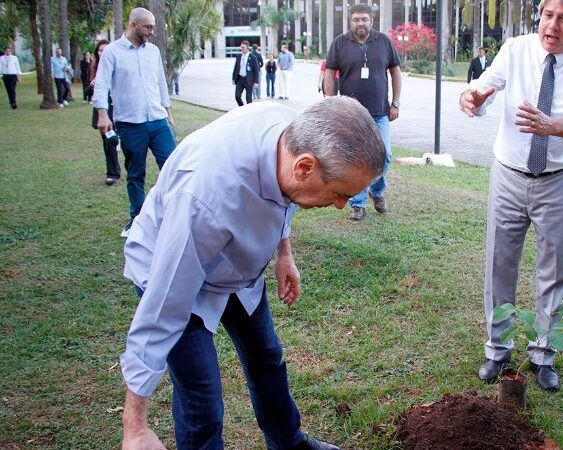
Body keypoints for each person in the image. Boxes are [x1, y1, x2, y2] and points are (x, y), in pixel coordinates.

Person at [119, 96, 385, 450]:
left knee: (267, 358)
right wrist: (134, 425)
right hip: (175, 267)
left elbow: (286, 193)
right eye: (339, 194)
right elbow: (163, 307)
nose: (340, 205)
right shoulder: (204, 197)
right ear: (305, 168)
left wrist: (284, 252)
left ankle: (288, 442)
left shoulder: (290, 133)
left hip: (237, 270)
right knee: (202, 399)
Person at [460, 0, 563, 392]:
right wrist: (473, 98)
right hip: (508, 174)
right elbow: (484, 86)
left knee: (554, 269)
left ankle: (544, 354)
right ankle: (497, 348)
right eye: (547, 15)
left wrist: (554, 126)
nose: (552, 25)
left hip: (559, 180)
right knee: (498, 263)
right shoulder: (516, 49)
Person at [92, 7, 177, 238]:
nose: (151, 31)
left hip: (158, 120)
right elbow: (101, 84)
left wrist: (168, 111)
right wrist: (102, 113)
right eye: (148, 27)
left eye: (152, 27)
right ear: (133, 24)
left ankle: (174, 216)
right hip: (131, 124)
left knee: (174, 168)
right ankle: (137, 220)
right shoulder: (112, 52)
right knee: (135, 174)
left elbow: (160, 82)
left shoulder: (153, 51)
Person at [323, 3, 402, 221]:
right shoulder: (339, 44)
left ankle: (376, 192)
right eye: (356, 19)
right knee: (356, 160)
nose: (361, 23)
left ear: (371, 21)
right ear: (350, 21)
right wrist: (330, 104)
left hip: (379, 112)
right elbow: (329, 74)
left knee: (385, 155)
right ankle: (358, 205)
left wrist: (395, 103)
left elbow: (395, 71)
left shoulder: (383, 42)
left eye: (364, 19)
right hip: (351, 115)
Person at [88, 39, 121, 186]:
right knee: (108, 142)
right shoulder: (95, 69)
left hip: (117, 109)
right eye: (100, 50)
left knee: (115, 141)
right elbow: (88, 93)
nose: (103, 52)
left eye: (105, 49)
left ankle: (117, 169)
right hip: (102, 111)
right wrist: (92, 85)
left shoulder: (118, 66)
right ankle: (112, 172)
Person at [232, 40, 261, 106]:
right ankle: (242, 108)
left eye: (243, 47)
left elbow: (256, 70)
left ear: (247, 48)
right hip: (240, 79)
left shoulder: (253, 58)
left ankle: (249, 111)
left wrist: (256, 82)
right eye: (241, 47)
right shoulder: (239, 56)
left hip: (248, 80)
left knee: (248, 98)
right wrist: (233, 78)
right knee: (237, 96)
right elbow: (236, 67)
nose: (241, 49)